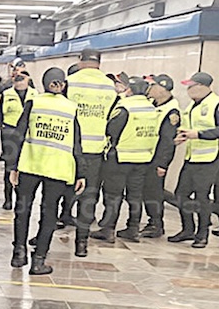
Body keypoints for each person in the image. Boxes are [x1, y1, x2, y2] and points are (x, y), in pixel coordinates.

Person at [9, 67, 85, 275]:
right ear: (63, 84)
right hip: (58, 169)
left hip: (30, 165)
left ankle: (19, 253)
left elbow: (19, 134)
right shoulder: (71, 108)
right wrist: (81, 173)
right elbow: (76, 142)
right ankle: (39, 261)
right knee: (49, 213)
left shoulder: (34, 103)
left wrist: (12, 165)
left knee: (22, 209)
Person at [90, 76, 160, 243]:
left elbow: (111, 130)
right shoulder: (152, 109)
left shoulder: (125, 107)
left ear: (130, 89)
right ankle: (133, 228)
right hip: (143, 158)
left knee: (113, 195)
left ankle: (108, 229)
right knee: (135, 195)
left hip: (120, 157)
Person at [65, 51, 118, 257]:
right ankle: (81, 244)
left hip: (68, 148)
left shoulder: (69, 82)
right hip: (96, 151)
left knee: (57, 193)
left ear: (80, 61)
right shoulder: (109, 86)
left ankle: (47, 235)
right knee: (89, 197)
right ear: (99, 63)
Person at [170, 72, 219, 247]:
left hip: (209, 158)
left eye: (192, 86)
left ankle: (202, 234)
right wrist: (181, 135)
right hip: (191, 157)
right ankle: (187, 229)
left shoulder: (216, 104)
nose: (189, 90)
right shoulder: (192, 105)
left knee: (202, 197)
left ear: (203, 86)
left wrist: (198, 134)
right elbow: (187, 126)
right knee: (181, 194)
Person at [140, 74, 180, 238]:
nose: (149, 89)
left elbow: (167, 141)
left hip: (157, 159)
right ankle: (152, 221)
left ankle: (156, 223)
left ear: (163, 89)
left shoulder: (171, 112)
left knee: (154, 192)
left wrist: (163, 164)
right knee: (147, 191)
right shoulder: (154, 104)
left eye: (153, 86)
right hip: (146, 156)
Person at [0, 68, 36, 210]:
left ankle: (21, 199)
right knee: (9, 168)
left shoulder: (36, 95)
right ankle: (8, 199)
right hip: (9, 135)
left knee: (24, 168)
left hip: (29, 135)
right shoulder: (7, 94)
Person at [56, 63, 81, 228]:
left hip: (63, 142)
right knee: (71, 184)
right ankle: (66, 213)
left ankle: (62, 214)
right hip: (77, 143)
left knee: (62, 185)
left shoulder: (64, 95)